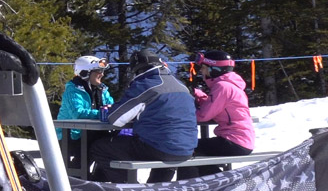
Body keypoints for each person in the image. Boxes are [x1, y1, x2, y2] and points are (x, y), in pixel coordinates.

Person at [88, 49, 198, 183]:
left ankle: (128, 188)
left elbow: (115, 119)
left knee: (100, 147)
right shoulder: (181, 85)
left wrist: (106, 112)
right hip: (186, 149)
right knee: (165, 154)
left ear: (137, 69)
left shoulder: (146, 85)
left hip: (158, 146)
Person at [178, 50, 254, 179]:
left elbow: (203, 116)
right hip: (239, 139)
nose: (201, 72)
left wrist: (181, 113)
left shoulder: (222, 87)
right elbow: (215, 106)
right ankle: (218, 182)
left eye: (203, 68)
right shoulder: (230, 86)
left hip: (234, 141)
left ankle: (192, 188)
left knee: (186, 149)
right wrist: (198, 95)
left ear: (214, 69)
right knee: (194, 151)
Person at [56, 55, 114, 176]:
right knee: (93, 146)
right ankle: (77, 177)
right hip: (71, 135)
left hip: (90, 134)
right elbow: (78, 113)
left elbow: (112, 107)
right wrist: (102, 113)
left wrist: (113, 111)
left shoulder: (102, 90)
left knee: (112, 143)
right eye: (98, 71)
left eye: (102, 71)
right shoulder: (73, 90)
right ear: (85, 73)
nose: (102, 74)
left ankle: (100, 178)